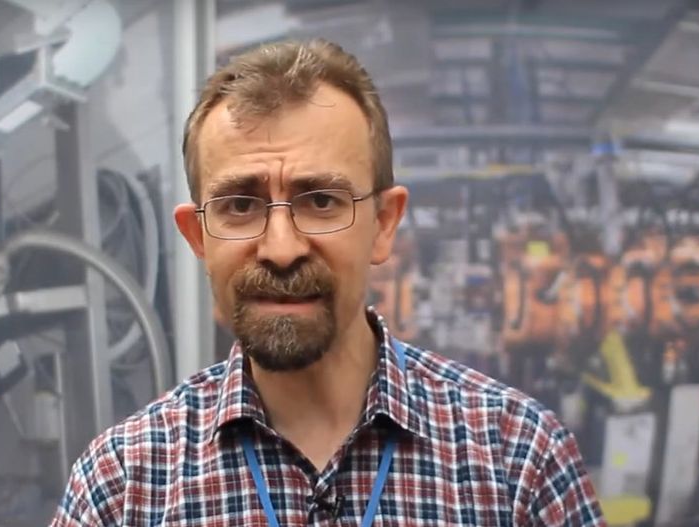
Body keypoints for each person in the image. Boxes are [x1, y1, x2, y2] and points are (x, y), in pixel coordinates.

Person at [50, 39, 605, 526]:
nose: (281, 249)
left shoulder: (518, 461)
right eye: (240, 205)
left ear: (383, 224)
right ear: (198, 237)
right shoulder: (124, 487)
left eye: (320, 201)